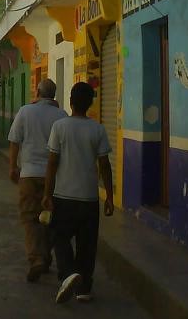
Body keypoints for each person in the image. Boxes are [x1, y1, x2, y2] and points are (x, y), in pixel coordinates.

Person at [42, 82, 114, 304]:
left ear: (71, 102)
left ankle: (68, 273)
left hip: (63, 196)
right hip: (89, 198)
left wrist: (47, 194)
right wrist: (110, 196)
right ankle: (84, 288)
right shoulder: (98, 129)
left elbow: (52, 163)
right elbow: (105, 165)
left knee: (59, 237)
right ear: (90, 103)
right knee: (87, 243)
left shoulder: (60, 127)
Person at [8, 78, 68, 283]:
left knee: (29, 217)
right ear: (54, 95)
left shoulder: (26, 111)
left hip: (30, 173)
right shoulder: (62, 115)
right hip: (55, 177)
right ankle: (46, 254)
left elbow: (15, 140)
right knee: (51, 217)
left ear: (37, 93)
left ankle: (36, 258)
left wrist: (12, 167)